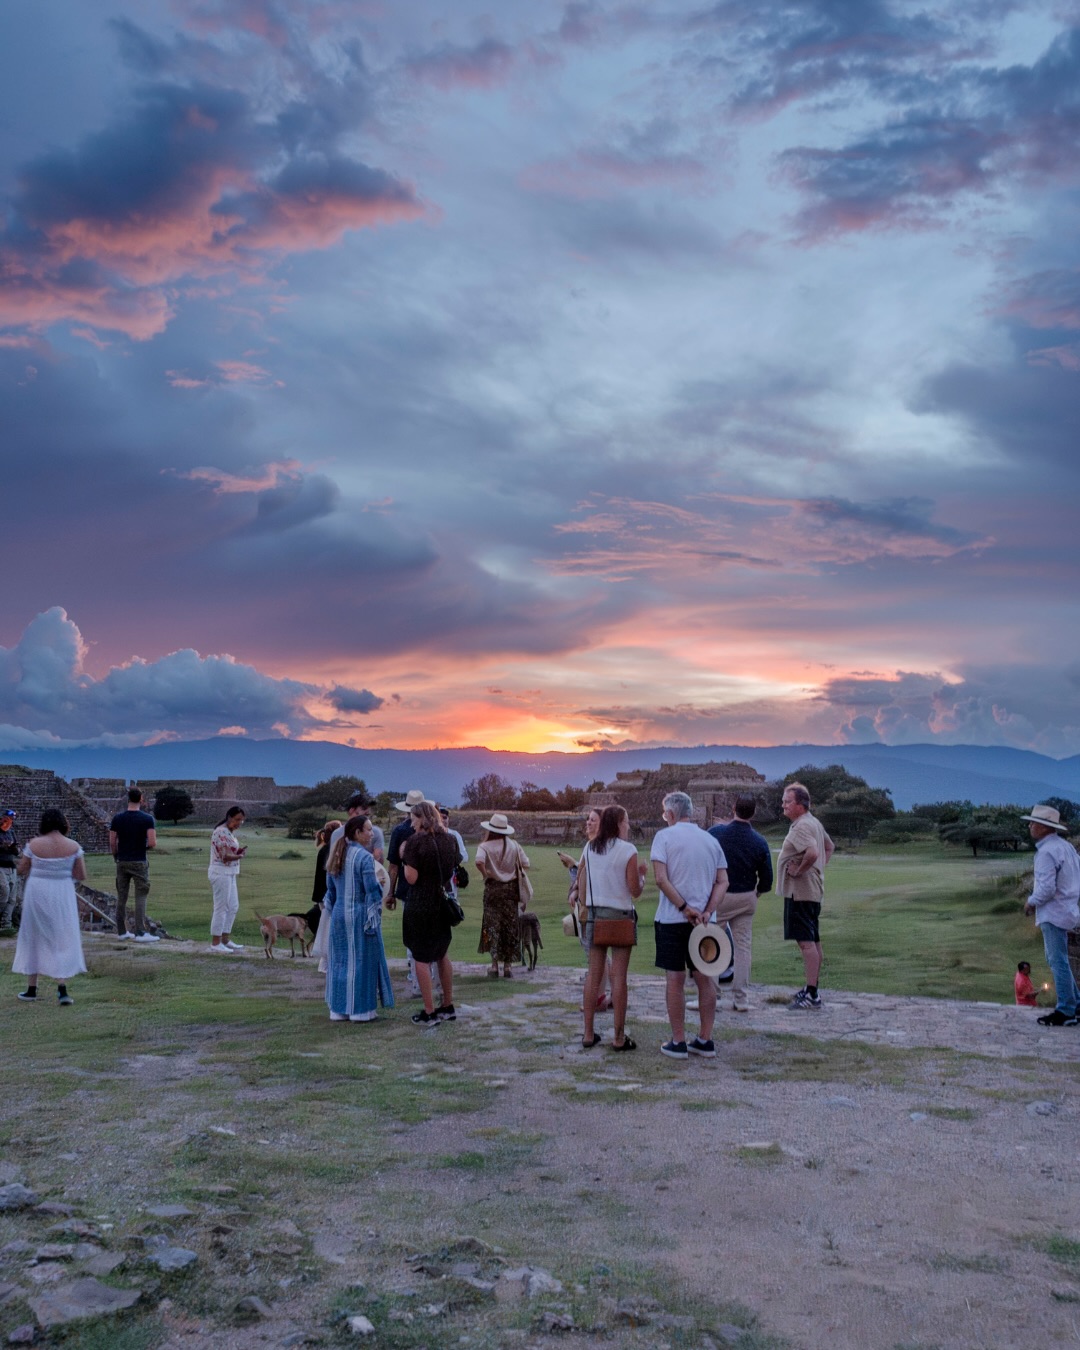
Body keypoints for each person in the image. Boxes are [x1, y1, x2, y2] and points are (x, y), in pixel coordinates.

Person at [650, 791, 729, 1060]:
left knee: (675, 978)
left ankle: (678, 1040)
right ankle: (705, 1039)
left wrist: (685, 908)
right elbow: (723, 881)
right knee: (705, 980)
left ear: (670, 814)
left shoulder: (664, 837)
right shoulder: (710, 840)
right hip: (706, 922)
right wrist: (707, 911)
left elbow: (661, 879)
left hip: (674, 919)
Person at [580, 805, 645, 1051]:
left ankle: (588, 1033)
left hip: (596, 916)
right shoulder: (628, 850)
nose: (628, 826)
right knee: (619, 978)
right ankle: (618, 1037)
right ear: (618, 823)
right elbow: (634, 890)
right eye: (626, 822)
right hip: (620, 916)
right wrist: (642, 876)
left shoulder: (590, 847)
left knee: (593, 976)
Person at [323, 815, 394, 1022]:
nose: (372, 833)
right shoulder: (363, 858)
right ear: (357, 833)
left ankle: (338, 1009)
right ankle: (360, 1010)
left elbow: (331, 891)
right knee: (362, 961)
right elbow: (371, 891)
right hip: (361, 916)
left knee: (340, 961)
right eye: (368, 830)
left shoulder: (337, 854)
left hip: (338, 915)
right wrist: (380, 892)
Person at [13, 808, 86, 1005]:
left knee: (34, 935)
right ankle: (62, 989)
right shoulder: (73, 846)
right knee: (61, 936)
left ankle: (31, 988)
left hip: (37, 891)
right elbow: (81, 875)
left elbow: (21, 869)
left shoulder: (34, 844)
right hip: (62, 892)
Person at [709, 795, 773, 1012]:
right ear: (753, 813)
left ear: (733, 808)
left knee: (713, 944)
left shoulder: (717, 833)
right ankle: (741, 998)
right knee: (743, 947)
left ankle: (713, 996)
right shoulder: (759, 841)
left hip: (721, 895)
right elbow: (767, 879)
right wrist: (758, 892)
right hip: (747, 896)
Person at [399, 801, 460, 1025]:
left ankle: (429, 1011)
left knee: (421, 957)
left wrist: (404, 855)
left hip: (421, 903)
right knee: (442, 953)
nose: (411, 823)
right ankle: (448, 1004)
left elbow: (411, 878)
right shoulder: (450, 839)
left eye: (413, 818)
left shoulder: (414, 842)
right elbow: (453, 866)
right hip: (442, 900)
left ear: (421, 818)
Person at [1019, 804, 1080, 1027]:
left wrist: (1030, 903)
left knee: (1057, 961)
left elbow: (1045, 889)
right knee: (1059, 959)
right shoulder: (1066, 847)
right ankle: (1076, 1004)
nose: (1030, 826)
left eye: (1034, 822)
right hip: (1068, 909)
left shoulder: (1046, 852)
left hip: (1054, 912)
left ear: (1045, 827)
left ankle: (1066, 1010)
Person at [777, 782, 834, 1010]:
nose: (783, 805)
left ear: (800, 804)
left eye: (787, 801)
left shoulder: (802, 826)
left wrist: (800, 871)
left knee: (806, 942)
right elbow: (829, 847)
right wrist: (818, 869)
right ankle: (812, 988)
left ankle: (812, 995)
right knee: (813, 940)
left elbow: (813, 852)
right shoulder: (813, 822)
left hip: (800, 893)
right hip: (811, 891)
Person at [475, 812, 530, 980]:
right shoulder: (514, 845)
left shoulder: (485, 846)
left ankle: (494, 965)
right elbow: (526, 864)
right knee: (509, 926)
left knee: (492, 926)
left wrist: (486, 874)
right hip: (510, 890)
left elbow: (479, 862)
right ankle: (508, 966)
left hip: (493, 889)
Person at [387, 789, 426, 996]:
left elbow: (393, 866)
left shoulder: (400, 831)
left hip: (407, 889)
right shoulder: (436, 832)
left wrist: (390, 892)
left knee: (412, 936)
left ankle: (415, 976)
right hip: (431, 891)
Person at [109, 787, 158, 943]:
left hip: (122, 860)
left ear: (128, 799)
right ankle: (140, 931)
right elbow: (152, 842)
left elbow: (112, 841)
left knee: (122, 896)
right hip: (139, 860)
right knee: (140, 896)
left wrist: (116, 855)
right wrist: (141, 847)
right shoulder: (147, 819)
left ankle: (122, 931)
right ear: (141, 799)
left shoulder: (117, 818)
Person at [208, 806, 246, 953]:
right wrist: (239, 856)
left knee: (233, 906)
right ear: (229, 817)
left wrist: (238, 852)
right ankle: (216, 942)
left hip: (230, 872)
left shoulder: (229, 832)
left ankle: (225, 939)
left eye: (241, 821)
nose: (239, 823)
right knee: (221, 907)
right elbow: (224, 856)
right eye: (237, 820)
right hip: (220, 872)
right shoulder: (221, 831)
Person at [329, 794, 384, 863]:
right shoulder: (337, 834)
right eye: (364, 808)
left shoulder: (375, 832)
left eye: (368, 814)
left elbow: (377, 860)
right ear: (351, 811)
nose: (367, 817)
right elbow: (333, 863)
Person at [0, 809, 20, 931]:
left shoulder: (11, 832)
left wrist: (12, 848)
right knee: (4, 891)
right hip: (0, 865)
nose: (9, 821)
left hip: (11, 865)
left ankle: (6, 923)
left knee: (12, 897)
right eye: (7, 818)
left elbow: (16, 850)